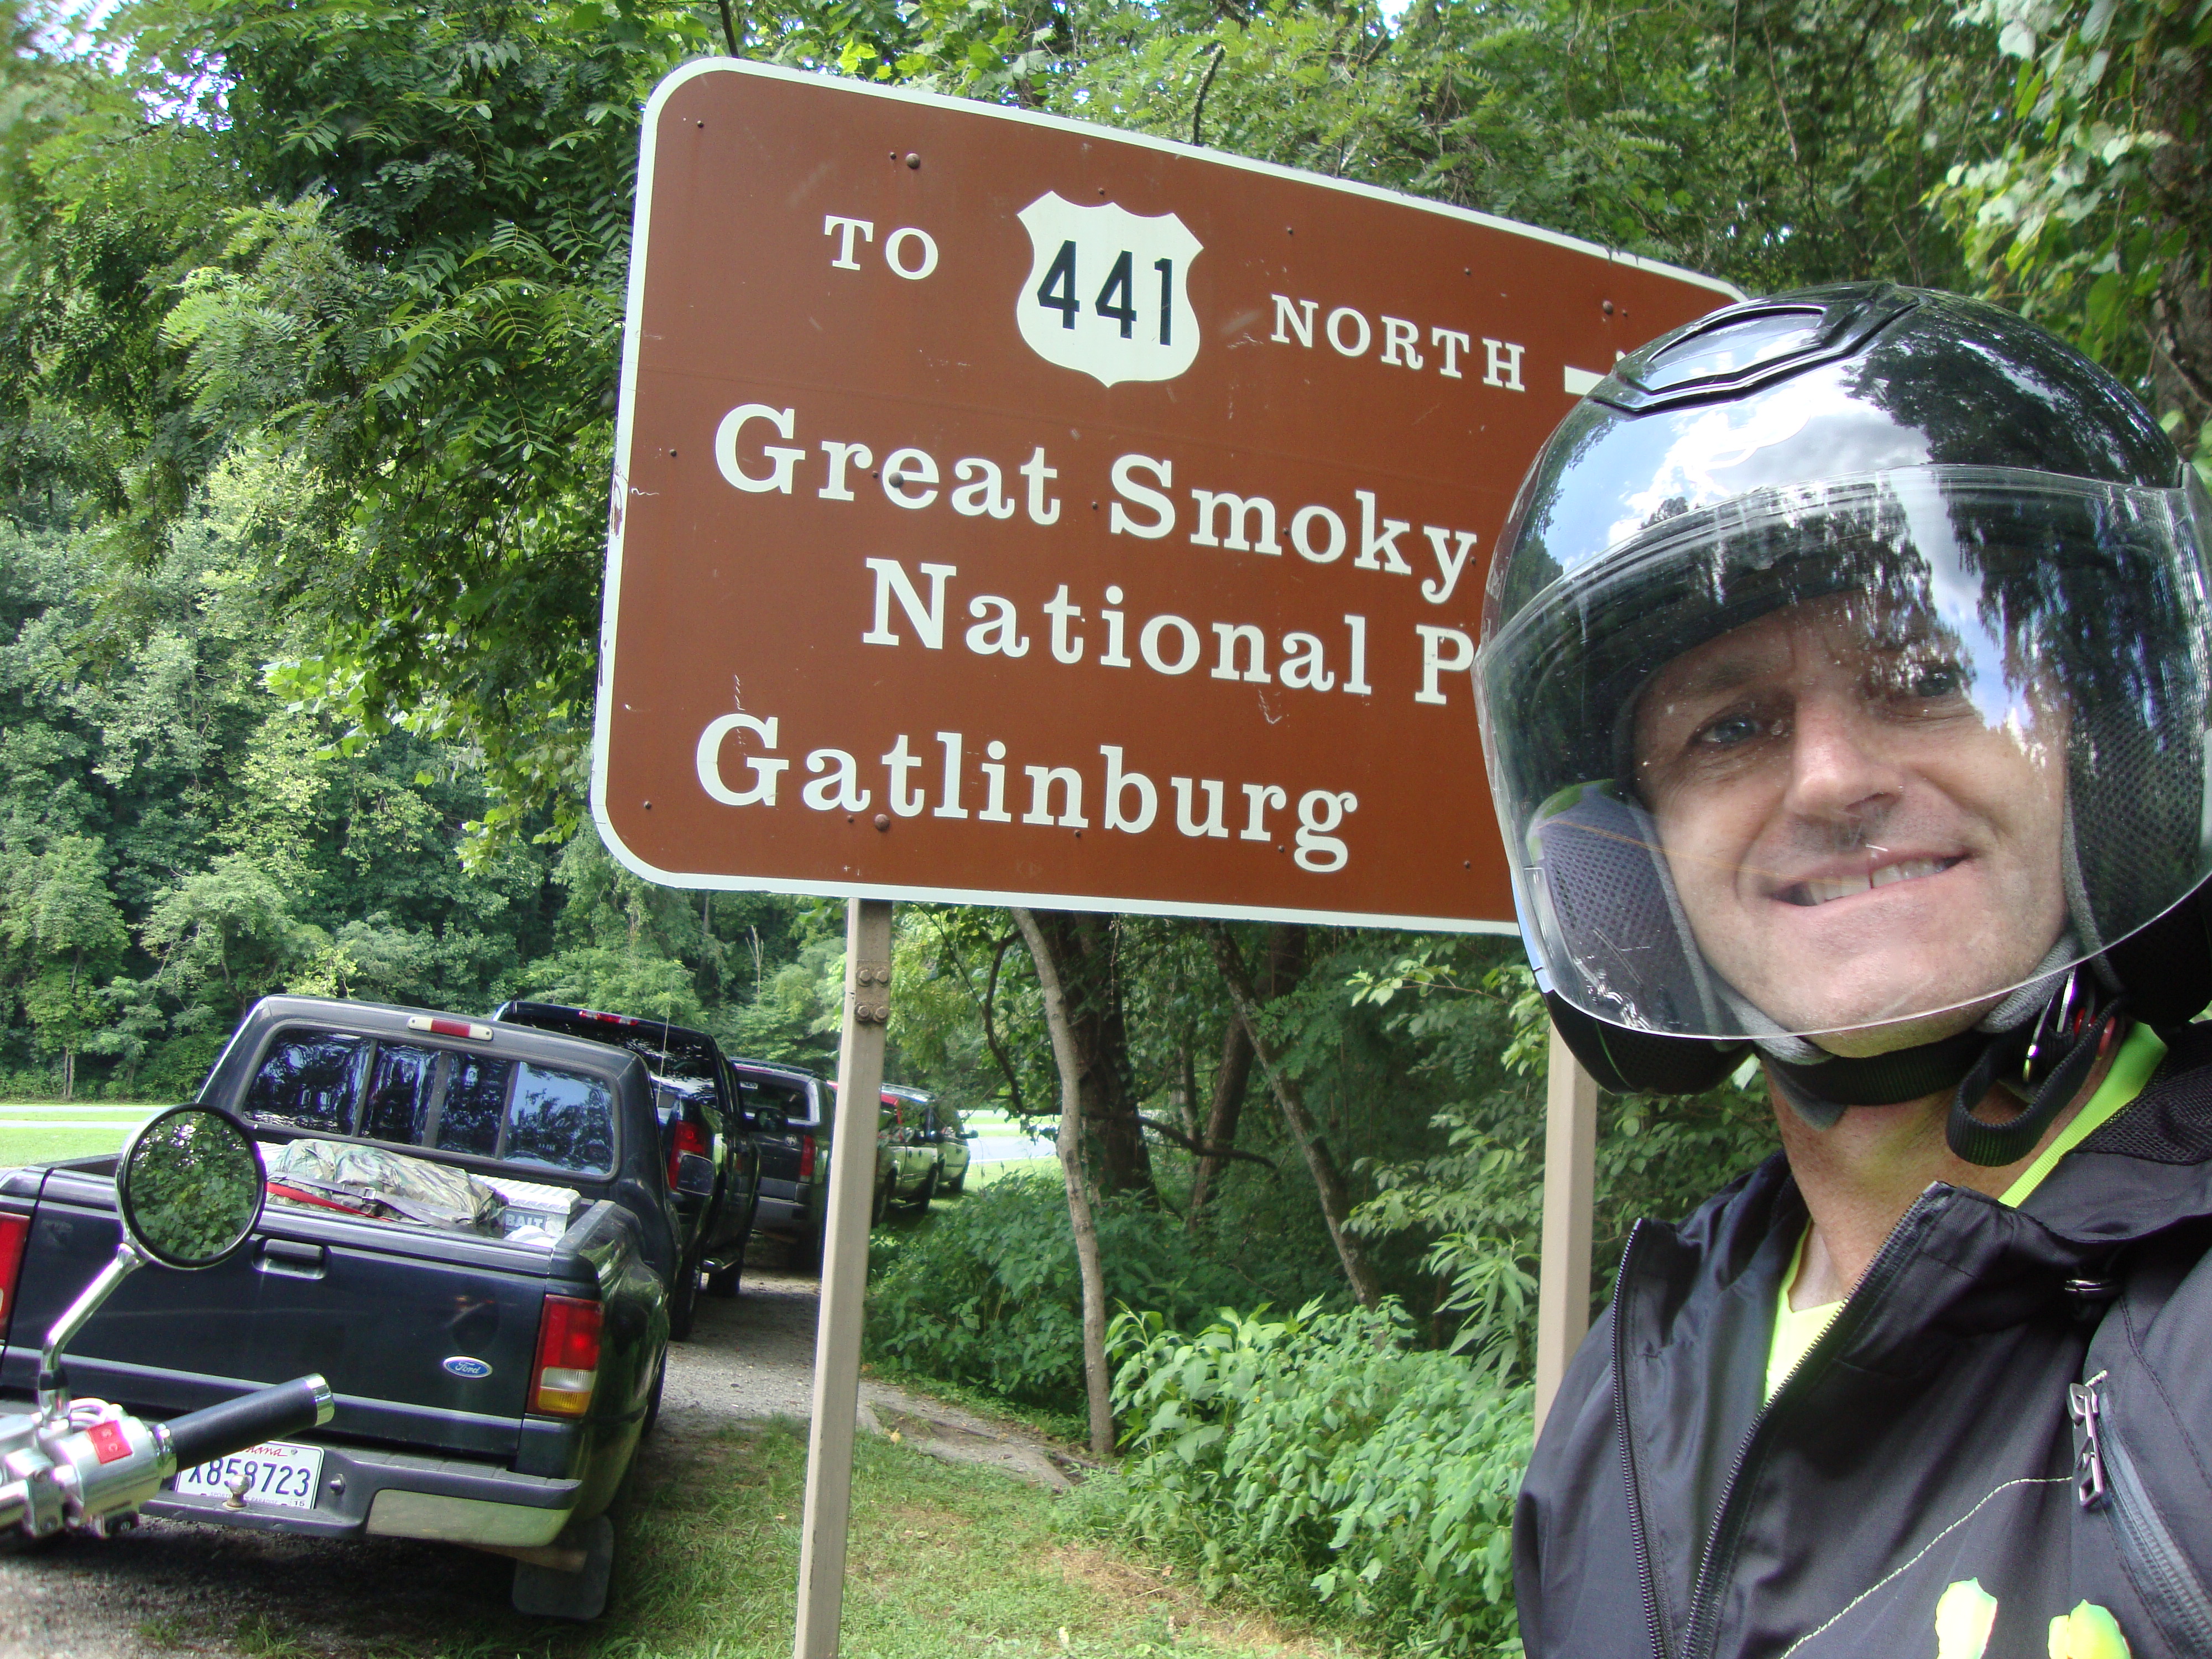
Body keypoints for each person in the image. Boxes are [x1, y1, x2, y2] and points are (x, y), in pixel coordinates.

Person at [1475, 282, 2212, 1659]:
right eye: (1731, 727)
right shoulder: (1637, 1380)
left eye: (1927, 673)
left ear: (2096, 751)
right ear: (1632, 867)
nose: (1828, 779)